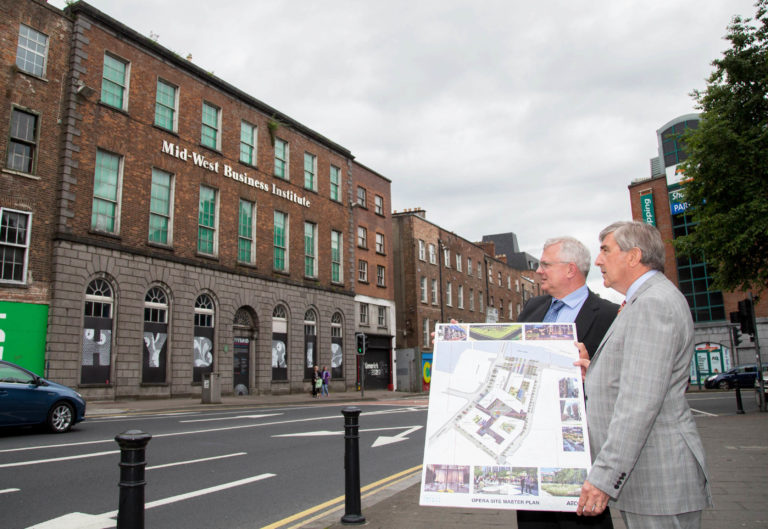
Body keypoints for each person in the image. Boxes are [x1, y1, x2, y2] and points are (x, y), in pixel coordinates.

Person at [574, 221, 711, 529]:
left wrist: (604, 477)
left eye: (606, 250)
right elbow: (639, 375)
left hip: (658, 477)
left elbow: (639, 403)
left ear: (633, 256)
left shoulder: (652, 304)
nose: (598, 261)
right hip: (650, 477)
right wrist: (593, 371)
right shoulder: (645, 299)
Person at [517, 236, 618, 529]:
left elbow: (623, 384)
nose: (539, 271)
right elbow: (506, 352)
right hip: (531, 442)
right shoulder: (533, 308)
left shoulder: (610, 316)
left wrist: (592, 372)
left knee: (581, 521)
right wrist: (459, 340)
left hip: (580, 447)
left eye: (546, 264)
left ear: (571, 269)